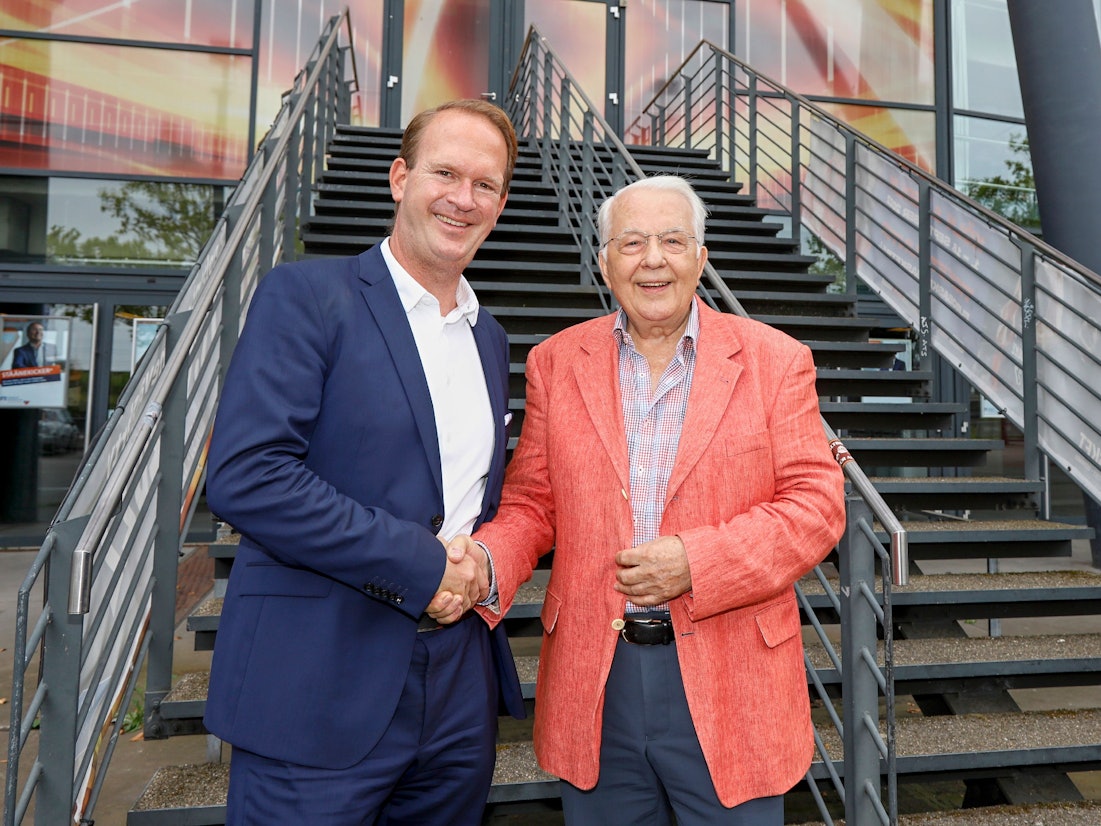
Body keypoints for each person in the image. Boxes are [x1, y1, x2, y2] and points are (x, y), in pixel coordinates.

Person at [435, 175, 847, 824]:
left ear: (700, 257)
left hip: (733, 677)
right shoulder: (554, 362)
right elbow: (533, 504)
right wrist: (482, 560)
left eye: (672, 241)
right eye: (630, 243)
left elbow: (815, 504)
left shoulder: (777, 360)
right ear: (604, 261)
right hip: (596, 683)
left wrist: (698, 562)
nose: (652, 259)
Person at [203, 98, 525, 826]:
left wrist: (475, 561)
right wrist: (422, 566)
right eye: (444, 172)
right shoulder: (306, 296)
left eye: (484, 184)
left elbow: (464, 499)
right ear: (398, 179)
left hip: (456, 692)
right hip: (315, 685)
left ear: (500, 205)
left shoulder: (490, 339)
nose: (461, 198)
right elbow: (248, 477)